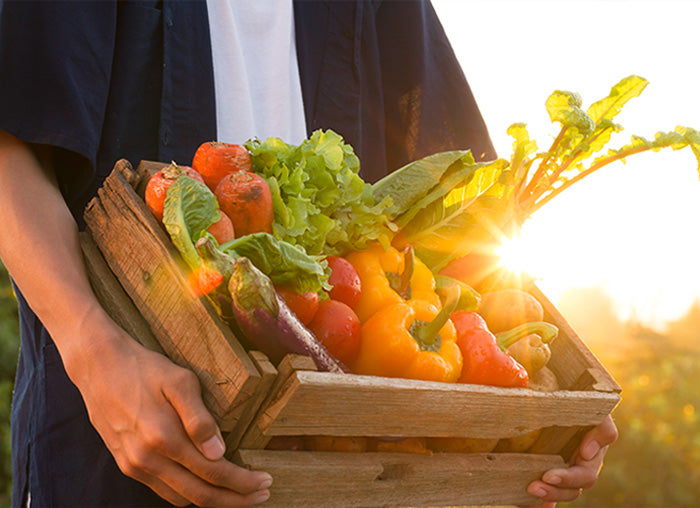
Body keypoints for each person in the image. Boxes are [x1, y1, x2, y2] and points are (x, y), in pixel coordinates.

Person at [0, 1, 616, 507]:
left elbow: (459, 220)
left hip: (340, 469)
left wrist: (551, 406)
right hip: (125, 450)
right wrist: (94, 352)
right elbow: (12, 145)